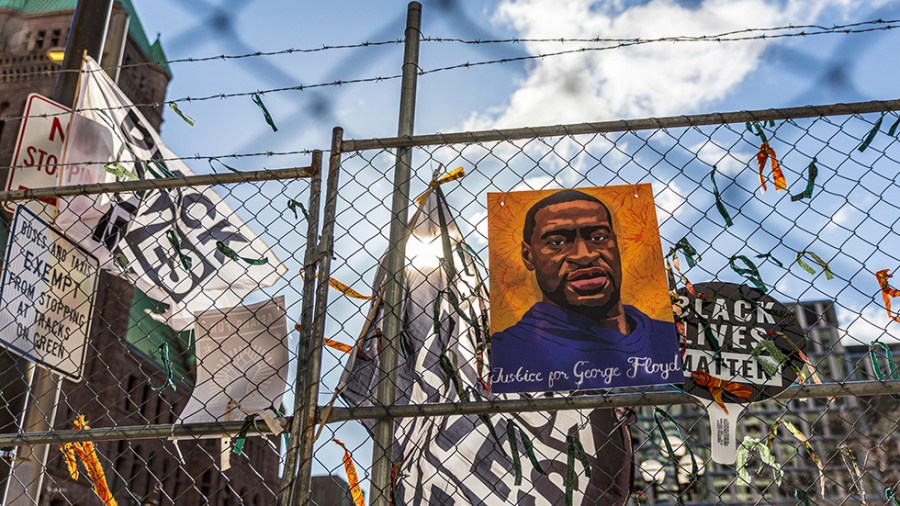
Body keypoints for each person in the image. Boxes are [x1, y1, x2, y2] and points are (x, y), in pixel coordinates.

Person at [491, 189, 680, 394]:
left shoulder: (669, 338)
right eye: (557, 243)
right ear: (528, 256)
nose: (584, 255)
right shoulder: (509, 350)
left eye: (598, 237)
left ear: (616, 244)